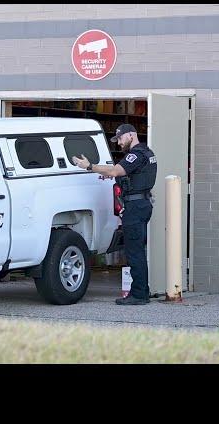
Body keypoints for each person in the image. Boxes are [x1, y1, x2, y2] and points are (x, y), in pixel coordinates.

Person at [72, 123, 157, 305]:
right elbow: (128, 176)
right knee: (137, 250)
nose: (118, 143)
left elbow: (115, 170)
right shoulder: (148, 153)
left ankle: (139, 295)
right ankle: (142, 291)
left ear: (131, 136)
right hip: (141, 204)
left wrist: (90, 166)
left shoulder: (136, 155)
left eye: (120, 138)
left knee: (134, 252)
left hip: (135, 207)